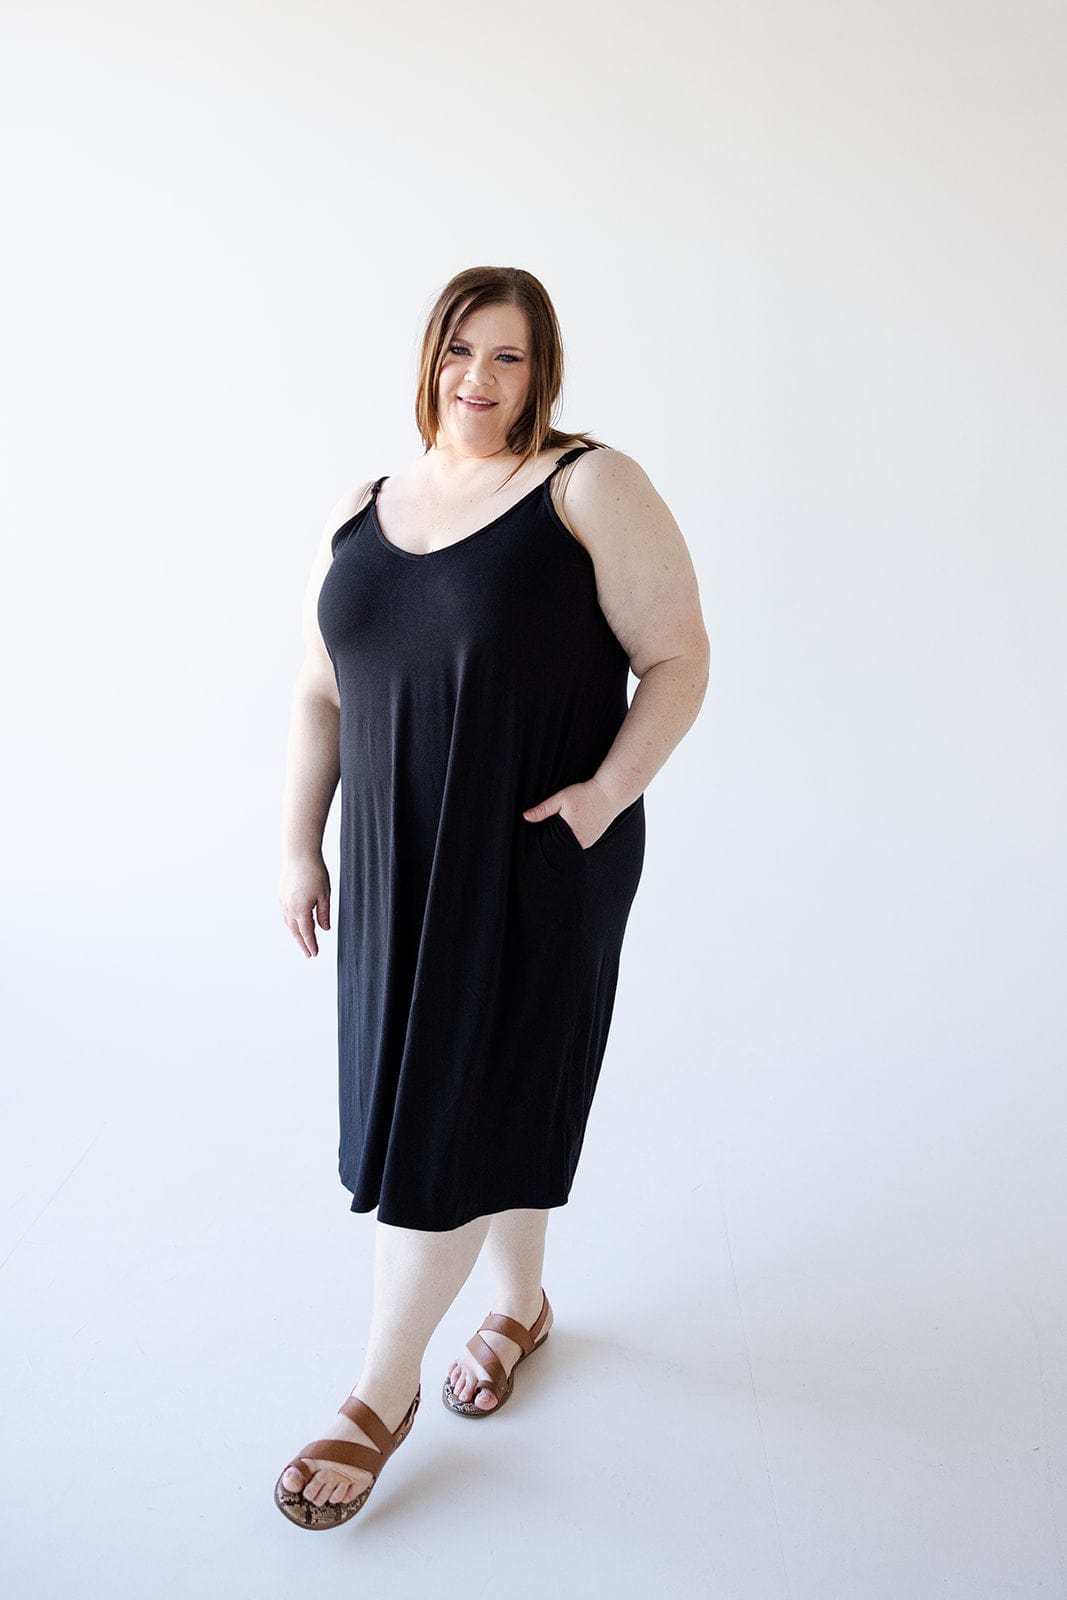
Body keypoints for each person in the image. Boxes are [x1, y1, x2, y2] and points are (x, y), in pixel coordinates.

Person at [274, 265, 710, 1529]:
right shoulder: (362, 507)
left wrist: (601, 798)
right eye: (461, 350)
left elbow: (678, 656)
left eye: (508, 357)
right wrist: (300, 844)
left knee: (454, 1118)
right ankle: (515, 1307)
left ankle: (376, 1393)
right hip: (396, 871)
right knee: (464, 1100)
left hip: (529, 860)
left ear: (542, 370)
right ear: (429, 357)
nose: (480, 377)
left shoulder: (585, 484)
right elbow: (319, 691)